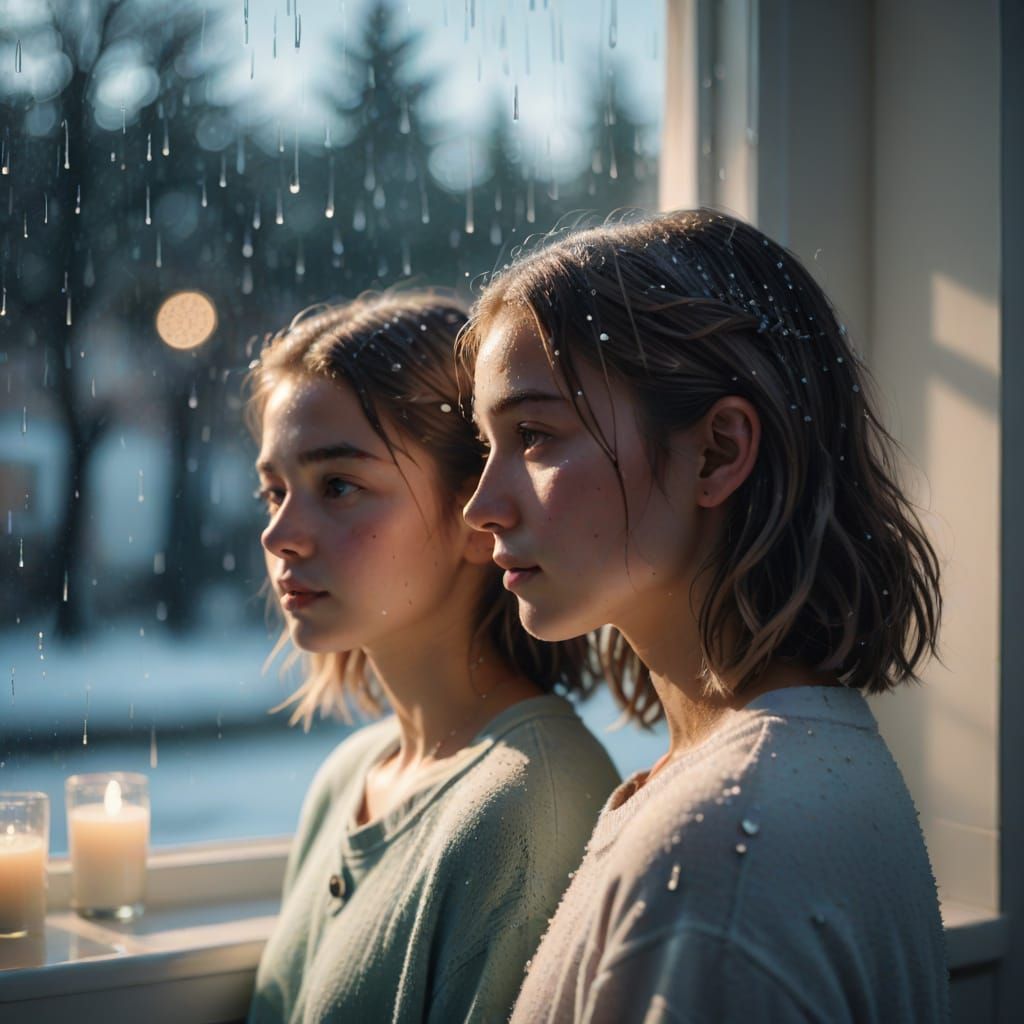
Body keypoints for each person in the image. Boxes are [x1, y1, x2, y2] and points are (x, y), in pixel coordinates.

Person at [461, 210, 949, 1022]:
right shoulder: (795, 765)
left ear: (718, 452)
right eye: (487, 444)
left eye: (535, 435)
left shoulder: (722, 854)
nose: (482, 506)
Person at [245, 292, 620, 1024]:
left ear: (478, 515)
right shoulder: (348, 776)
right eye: (274, 490)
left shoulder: (527, 807)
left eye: (340, 485)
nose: (279, 533)